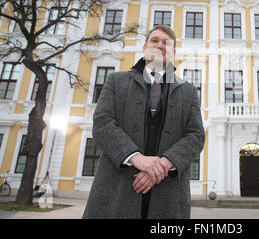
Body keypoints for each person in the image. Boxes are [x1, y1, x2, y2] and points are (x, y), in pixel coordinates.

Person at [83, 25, 205, 219]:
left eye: (166, 43)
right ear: (144, 47)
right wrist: (136, 158)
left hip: (169, 196)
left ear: (173, 52)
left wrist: (161, 166)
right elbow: (102, 123)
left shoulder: (188, 91)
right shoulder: (116, 81)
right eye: (155, 40)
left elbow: (196, 135)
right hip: (117, 190)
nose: (160, 45)